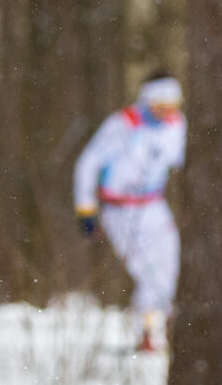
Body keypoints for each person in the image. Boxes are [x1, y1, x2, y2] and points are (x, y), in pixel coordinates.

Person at [73, 73, 186, 352]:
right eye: (162, 105)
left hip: (154, 204)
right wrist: (86, 208)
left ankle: (175, 330)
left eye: (173, 105)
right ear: (148, 101)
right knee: (148, 273)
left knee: (172, 267)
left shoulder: (177, 125)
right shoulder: (122, 125)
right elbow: (88, 163)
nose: (168, 112)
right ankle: (147, 333)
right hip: (120, 209)